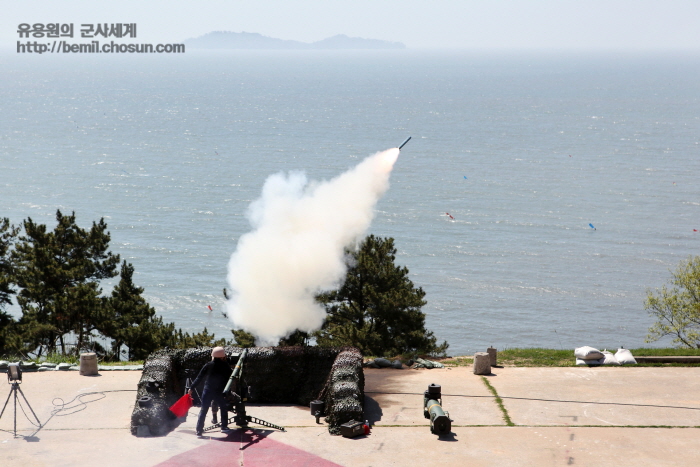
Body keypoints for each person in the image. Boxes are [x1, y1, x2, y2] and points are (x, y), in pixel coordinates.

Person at [188, 346, 233, 436]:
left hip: (208, 391)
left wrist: (191, 388)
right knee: (223, 409)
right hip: (220, 391)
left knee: (203, 410)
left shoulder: (208, 365)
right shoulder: (226, 366)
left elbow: (199, 377)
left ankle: (199, 430)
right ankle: (224, 427)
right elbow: (230, 378)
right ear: (223, 356)